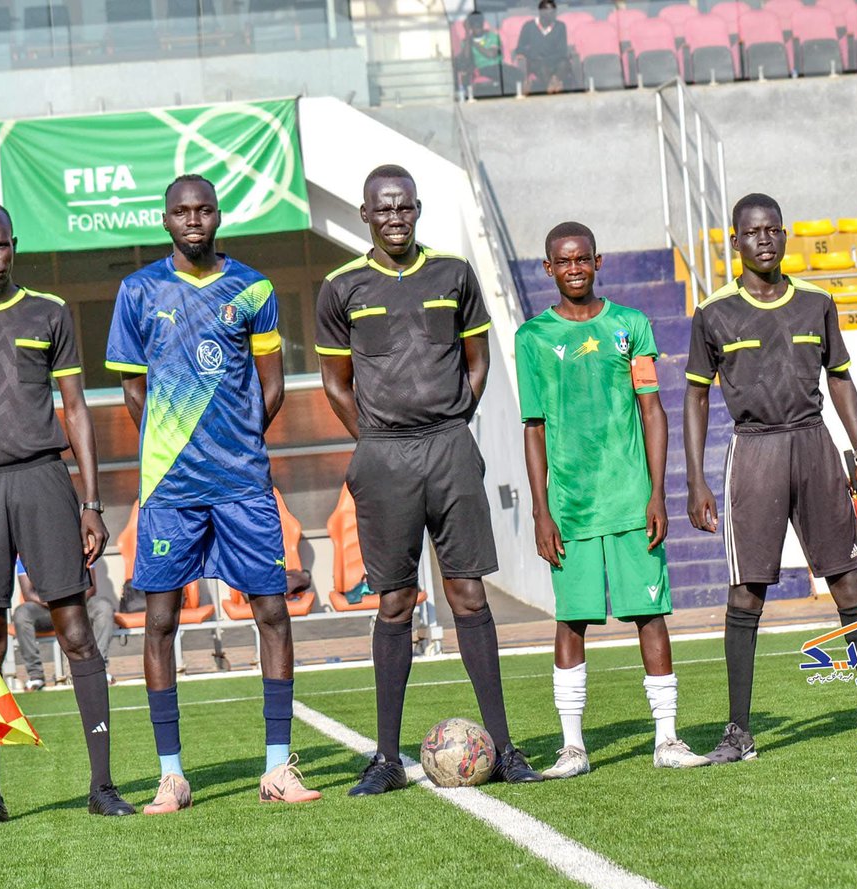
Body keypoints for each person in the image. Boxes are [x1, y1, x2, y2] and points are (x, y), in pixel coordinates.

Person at [316, 164, 542, 795]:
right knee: (394, 602)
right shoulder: (341, 288)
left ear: (416, 210)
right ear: (365, 215)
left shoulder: (454, 276)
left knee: (468, 594)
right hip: (383, 456)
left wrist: (450, 425)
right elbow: (336, 382)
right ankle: (385, 759)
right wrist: (377, 439)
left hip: (448, 447)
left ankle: (502, 748)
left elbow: (478, 363)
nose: (395, 218)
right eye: (382, 209)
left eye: (404, 208)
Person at [684, 192, 857, 762]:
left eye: (772, 229)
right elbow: (694, 397)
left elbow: (840, 379)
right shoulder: (713, 313)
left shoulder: (817, 302)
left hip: (815, 445)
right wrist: (696, 480)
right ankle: (738, 733)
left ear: (784, 235)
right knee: (747, 591)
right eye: (752, 232)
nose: (763, 239)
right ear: (735, 242)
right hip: (756, 452)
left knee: (848, 581)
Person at [106, 174, 321, 811]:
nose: (193, 219)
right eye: (181, 211)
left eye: (203, 209)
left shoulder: (253, 287)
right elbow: (132, 390)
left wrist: (237, 443)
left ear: (218, 215)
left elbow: (272, 384)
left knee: (272, 612)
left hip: (243, 484)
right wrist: (170, 448)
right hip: (170, 488)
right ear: (166, 219)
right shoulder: (138, 290)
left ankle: (278, 768)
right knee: (161, 620)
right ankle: (171, 774)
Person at [0, 201, 133, 830]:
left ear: (14, 246)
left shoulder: (49, 312)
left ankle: (102, 785)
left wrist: (91, 504)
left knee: (75, 630)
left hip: (45, 482)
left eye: (0, 247)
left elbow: (76, 411)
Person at [516, 222, 708, 778]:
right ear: (548, 269)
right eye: (562, 261)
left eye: (582, 259)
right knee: (570, 621)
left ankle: (667, 739)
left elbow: (652, 409)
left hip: (629, 499)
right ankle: (572, 747)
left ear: (597, 262)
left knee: (649, 614)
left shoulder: (631, 326)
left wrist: (657, 493)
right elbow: (533, 426)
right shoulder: (532, 338)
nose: (573, 268)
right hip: (571, 506)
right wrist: (541, 509)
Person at [12, 555, 115, 690]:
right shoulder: (26, 552)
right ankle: (35, 675)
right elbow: (28, 594)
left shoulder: (80, 545)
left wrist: (69, 605)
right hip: (45, 608)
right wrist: (57, 604)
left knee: (104, 607)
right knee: (21, 614)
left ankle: (99, 670)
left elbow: (91, 587)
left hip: (78, 605)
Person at [515, 0, 572, 94]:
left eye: (554, 11)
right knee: (542, 66)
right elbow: (520, 48)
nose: (553, 14)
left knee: (564, 64)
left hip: (555, 61)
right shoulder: (529, 26)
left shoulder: (560, 26)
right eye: (549, 11)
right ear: (541, 12)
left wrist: (548, 58)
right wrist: (532, 54)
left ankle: (554, 82)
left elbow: (562, 50)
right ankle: (552, 87)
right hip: (537, 61)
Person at [457, 11, 506, 96]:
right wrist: (468, 34)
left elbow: (491, 54)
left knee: (516, 75)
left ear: (483, 24)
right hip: (482, 70)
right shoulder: (467, 43)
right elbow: (466, 58)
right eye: (475, 26)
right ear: (471, 27)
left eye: (480, 25)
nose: (478, 28)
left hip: (499, 68)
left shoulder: (492, 36)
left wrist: (474, 43)